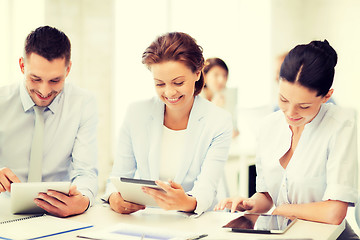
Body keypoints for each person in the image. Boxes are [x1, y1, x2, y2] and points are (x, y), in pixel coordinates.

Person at [215, 40, 358, 239]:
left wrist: (284, 210)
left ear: (326, 96)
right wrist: (251, 204)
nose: (290, 113)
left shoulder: (341, 124)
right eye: (283, 99)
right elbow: (266, 197)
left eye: (304, 106)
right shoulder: (268, 126)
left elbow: (334, 213)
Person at [104, 32, 233, 215]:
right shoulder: (136, 114)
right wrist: (113, 198)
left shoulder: (219, 121)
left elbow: (207, 187)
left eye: (178, 82)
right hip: (146, 218)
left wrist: (185, 202)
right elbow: (117, 178)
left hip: (195, 221)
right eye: (160, 84)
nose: (170, 92)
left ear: (197, 73)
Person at [0, 26, 98, 217]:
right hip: (3, 213)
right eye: (35, 79)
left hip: (59, 216)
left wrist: (83, 200)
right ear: (22, 66)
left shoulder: (83, 103)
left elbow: (86, 171)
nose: (44, 91)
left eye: (55, 80)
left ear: (68, 69)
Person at [201, 58, 239, 138]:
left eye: (224, 75)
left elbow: (233, 130)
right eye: (216, 75)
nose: (221, 80)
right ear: (204, 76)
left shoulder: (224, 96)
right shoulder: (196, 97)